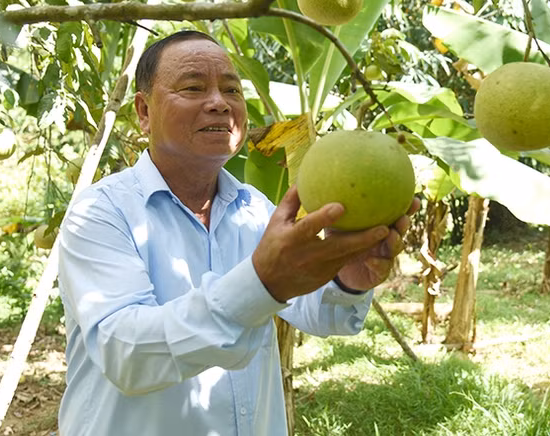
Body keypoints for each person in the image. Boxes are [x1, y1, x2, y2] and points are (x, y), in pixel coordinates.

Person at [56, 29, 419, 435]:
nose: (219, 103)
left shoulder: (257, 209)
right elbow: (127, 353)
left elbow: (318, 312)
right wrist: (260, 282)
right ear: (143, 111)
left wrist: (350, 278)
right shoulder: (100, 212)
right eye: (193, 87)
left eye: (232, 90)